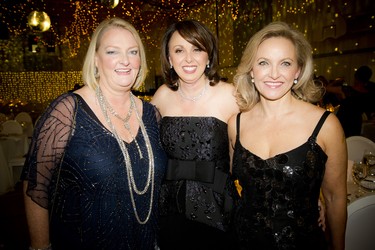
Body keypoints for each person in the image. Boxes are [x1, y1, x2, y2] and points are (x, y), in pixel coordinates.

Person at [21, 17, 167, 250]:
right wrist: (40, 247)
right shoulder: (68, 110)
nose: (125, 61)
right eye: (112, 52)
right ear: (96, 60)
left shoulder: (151, 114)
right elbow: (35, 185)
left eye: (133, 52)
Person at [228, 21, 347, 250]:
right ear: (251, 71)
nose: (274, 74)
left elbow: (335, 200)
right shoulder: (236, 125)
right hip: (244, 241)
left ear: (298, 71)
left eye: (285, 63)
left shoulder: (326, 126)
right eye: (263, 63)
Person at [151, 20, 240, 250]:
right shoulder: (161, 97)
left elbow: (256, 149)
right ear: (170, 59)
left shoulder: (230, 96)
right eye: (179, 50)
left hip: (219, 211)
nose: (188, 59)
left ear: (208, 55)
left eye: (196, 49)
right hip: (171, 212)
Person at [337, 65, 375, 137]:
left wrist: (337, 80)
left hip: (343, 122)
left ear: (356, 77)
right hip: (356, 123)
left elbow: (327, 88)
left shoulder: (347, 90)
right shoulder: (369, 94)